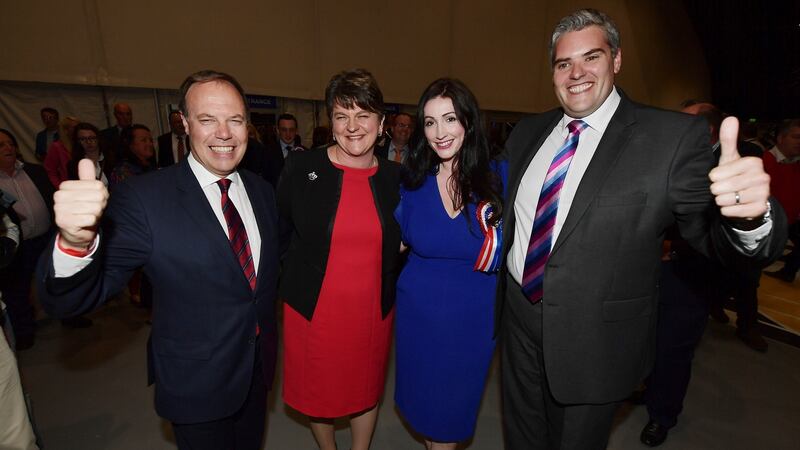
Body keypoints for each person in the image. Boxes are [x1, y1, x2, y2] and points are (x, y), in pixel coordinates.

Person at [497, 9, 786, 450]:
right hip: (518, 322)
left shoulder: (669, 138)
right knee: (521, 438)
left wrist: (748, 219)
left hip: (594, 340)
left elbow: (707, 234)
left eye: (591, 57)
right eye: (563, 63)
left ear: (616, 60)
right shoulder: (528, 133)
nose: (576, 73)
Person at [36, 70, 280, 450]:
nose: (224, 133)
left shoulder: (262, 191)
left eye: (234, 120)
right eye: (207, 119)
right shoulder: (144, 199)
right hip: (195, 383)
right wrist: (74, 242)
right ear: (183, 123)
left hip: (256, 371)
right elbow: (71, 298)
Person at [278, 68, 401, 450]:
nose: (352, 126)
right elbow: (279, 232)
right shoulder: (301, 169)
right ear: (330, 122)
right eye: (341, 115)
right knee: (320, 392)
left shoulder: (398, 178)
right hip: (314, 309)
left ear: (381, 123)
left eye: (363, 115)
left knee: (366, 388)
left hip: (370, 311)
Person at [394, 78, 507, 449]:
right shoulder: (412, 183)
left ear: (469, 123)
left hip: (471, 325)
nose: (439, 132)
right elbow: (389, 243)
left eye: (450, 119)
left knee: (449, 419)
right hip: (418, 320)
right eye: (429, 122)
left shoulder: (500, 178)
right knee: (428, 418)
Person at [0, 129, 55, 350]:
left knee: (57, 280)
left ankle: (70, 315)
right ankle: (24, 331)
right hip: (18, 246)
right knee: (18, 290)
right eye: (1, 145)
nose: (8, 148)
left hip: (47, 237)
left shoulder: (34, 171)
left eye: (10, 143)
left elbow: (51, 199)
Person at [763, 119, 800, 283]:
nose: (799, 142)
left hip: (791, 220)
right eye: (796, 137)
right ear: (780, 138)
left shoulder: (796, 162)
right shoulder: (763, 161)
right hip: (770, 224)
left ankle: (788, 272)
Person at [43, 116, 79, 188]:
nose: (79, 129)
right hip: (69, 188)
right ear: (65, 130)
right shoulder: (57, 147)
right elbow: (50, 171)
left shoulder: (81, 144)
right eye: (75, 127)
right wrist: (60, 187)